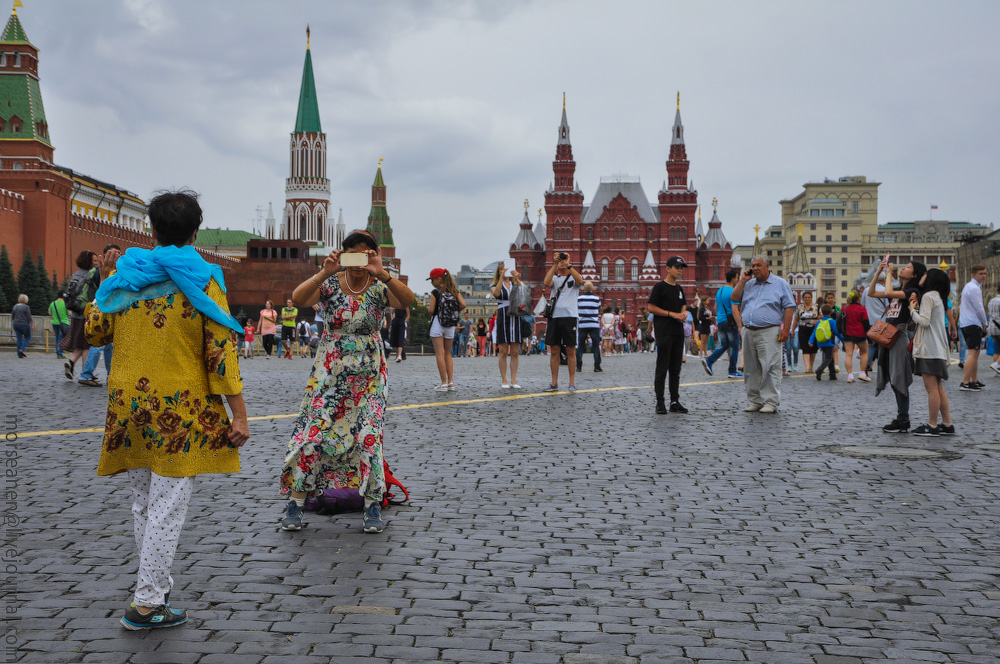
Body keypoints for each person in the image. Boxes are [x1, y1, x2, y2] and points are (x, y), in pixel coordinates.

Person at [85, 190, 250, 630]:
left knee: (144, 503)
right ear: (195, 232)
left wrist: (105, 280)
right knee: (167, 507)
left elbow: (96, 330)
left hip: (128, 406)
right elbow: (220, 352)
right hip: (179, 410)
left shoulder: (126, 274)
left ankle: (154, 586)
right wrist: (240, 413)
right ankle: (146, 602)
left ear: (151, 230)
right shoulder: (204, 280)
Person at [278, 228, 414, 534]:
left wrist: (384, 273)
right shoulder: (330, 284)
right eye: (353, 253)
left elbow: (406, 301)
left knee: (368, 438)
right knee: (312, 435)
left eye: (365, 253)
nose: (358, 260)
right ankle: (296, 502)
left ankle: (372, 505)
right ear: (343, 254)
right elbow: (299, 298)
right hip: (329, 373)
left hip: (369, 378)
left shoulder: (379, 286)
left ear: (373, 255)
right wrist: (323, 272)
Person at [731, 255, 795, 414]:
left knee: (770, 366)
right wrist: (742, 280)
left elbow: (789, 307)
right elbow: (734, 297)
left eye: (759, 265)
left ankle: (770, 402)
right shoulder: (749, 284)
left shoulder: (780, 284)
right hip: (749, 331)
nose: (755, 268)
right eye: (753, 265)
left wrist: (786, 329)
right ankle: (755, 400)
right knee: (751, 368)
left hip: (769, 331)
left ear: (767, 266)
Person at [869, 259, 926, 433]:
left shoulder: (912, 291)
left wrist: (888, 273)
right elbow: (871, 293)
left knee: (899, 377)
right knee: (893, 378)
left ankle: (903, 419)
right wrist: (878, 272)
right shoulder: (900, 290)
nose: (903, 268)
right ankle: (902, 417)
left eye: (908, 267)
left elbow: (887, 292)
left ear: (914, 275)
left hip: (898, 337)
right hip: (888, 337)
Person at [909, 268, 955, 436]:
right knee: (938, 387)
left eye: (926, 275)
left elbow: (924, 322)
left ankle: (932, 425)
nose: (923, 276)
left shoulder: (929, 297)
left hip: (929, 348)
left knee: (932, 389)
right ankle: (947, 424)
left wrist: (912, 310)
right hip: (937, 348)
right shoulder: (937, 297)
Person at [647, 256, 689, 414]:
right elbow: (651, 307)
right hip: (664, 332)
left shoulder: (679, 289)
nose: (680, 270)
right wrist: (672, 314)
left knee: (676, 369)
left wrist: (683, 313)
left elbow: (684, 303)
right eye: (677, 267)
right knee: (662, 368)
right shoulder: (660, 287)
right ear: (667, 268)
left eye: (681, 268)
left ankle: (674, 400)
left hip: (678, 332)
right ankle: (660, 402)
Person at [542, 252, 582, 392]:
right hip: (554, 317)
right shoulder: (555, 278)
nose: (562, 262)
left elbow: (581, 281)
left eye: (564, 259)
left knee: (571, 350)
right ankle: (554, 383)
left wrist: (569, 265)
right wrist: (554, 264)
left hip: (570, 317)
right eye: (561, 260)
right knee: (554, 350)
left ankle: (572, 383)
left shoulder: (573, 276)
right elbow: (546, 282)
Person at [60, 250, 102, 379]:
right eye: (94, 260)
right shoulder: (91, 274)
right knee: (87, 344)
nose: (95, 263)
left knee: (80, 343)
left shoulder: (76, 274)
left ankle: (71, 362)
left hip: (75, 312)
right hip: (86, 311)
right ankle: (86, 373)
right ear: (88, 261)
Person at [428, 267, 466, 391]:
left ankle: (443, 383)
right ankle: (450, 382)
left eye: (432, 280)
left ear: (439, 279)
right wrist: (454, 312)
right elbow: (463, 304)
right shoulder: (454, 291)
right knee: (448, 354)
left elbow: (431, 310)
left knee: (440, 354)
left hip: (438, 324)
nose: (431, 282)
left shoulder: (435, 292)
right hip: (450, 325)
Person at [702, 269, 741, 378]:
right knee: (734, 346)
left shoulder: (720, 291)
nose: (737, 280)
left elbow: (715, 308)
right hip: (731, 322)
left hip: (720, 321)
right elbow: (735, 309)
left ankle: (709, 361)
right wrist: (740, 326)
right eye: (737, 277)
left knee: (724, 344)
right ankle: (732, 371)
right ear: (733, 278)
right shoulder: (733, 291)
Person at [490, 262, 523, 388]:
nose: (504, 272)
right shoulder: (495, 285)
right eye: (501, 270)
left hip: (515, 315)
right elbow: (496, 293)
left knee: (515, 352)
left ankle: (513, 380)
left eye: (506, 270)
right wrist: (501, 278)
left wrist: (517, 278)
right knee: (503, 351)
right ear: (498, 272)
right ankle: (504, 380)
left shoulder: (514, 284)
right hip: (503, 316)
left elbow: (523, 293)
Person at [958, 264, 989, 391]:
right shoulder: (974, 288)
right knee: (972, 353)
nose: (984, 276)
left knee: (975, 353)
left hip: (966, 323)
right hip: (972, 323)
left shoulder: (968, 286)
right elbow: (979, 308)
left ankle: (974, 380)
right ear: (973, 274)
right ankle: (965, 382)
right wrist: (984, 323)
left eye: (985, 273)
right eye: (981, 273)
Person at [841, 291, 871, 383]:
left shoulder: (844, 308)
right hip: (860, 333)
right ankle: (862, 373)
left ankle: (850, 376)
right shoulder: (862, 309)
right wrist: (869, 335)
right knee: (865, 352)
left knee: (849, 354)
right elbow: (866, 323)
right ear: (859, 298)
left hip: (847, 333)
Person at [809, 304, 844, 380]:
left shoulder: (819, 322)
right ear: (831, 312)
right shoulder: (832, 321)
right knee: (828, 358)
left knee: (830, 358)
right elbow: (836, 332)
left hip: (820, 342)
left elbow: (814, 332)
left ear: (821, 312)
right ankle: (819, 370)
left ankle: (832, 375)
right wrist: (843, 340)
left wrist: (811, 341)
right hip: (829, 342)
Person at [576, 281, 602, 372]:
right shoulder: (596, 299)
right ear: (592, 288)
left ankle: (578, 366)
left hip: (582, 324)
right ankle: (597, 366)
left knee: (580, 345)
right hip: (594, 324)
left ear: (583, 288)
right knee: (595, 345)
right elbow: (599, 308)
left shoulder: (579, 299)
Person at [793, 291, 819, 373]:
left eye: (809, 297)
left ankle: (811, 366)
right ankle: (807, 367)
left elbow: (821, 317)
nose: (807, 299)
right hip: (803, 329)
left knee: (813, 348)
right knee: (805, 348)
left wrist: (818, 321)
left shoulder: (817, 307)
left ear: (811, 298)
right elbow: (796, 319)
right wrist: (793, 329)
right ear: (803, 298)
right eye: (805, 297)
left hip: (814, 329)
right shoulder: (800, 307)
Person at [49, 293, 70, 359]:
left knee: (57, 338)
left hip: (54, 322)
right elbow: (69, 313)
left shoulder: (53, 303)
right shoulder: (65, 303)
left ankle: (58, 352)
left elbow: (49, 313)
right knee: (61, 338)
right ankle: (60, 353)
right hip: (63, 323)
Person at [11, 294, 33, 358]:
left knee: (19, 339)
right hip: (24, 324)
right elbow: (29, 317)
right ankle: (22, 349)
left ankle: (19, 354)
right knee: (28, 337)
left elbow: (12, 316)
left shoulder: (15, 306)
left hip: (16, 324)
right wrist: (32, 324)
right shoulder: (26, 307)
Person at [989, 283, 1000, 377]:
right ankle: (996, 365)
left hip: (992, 328)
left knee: (996, 349)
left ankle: (997, 371)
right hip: (999, 327)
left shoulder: (991, 301)